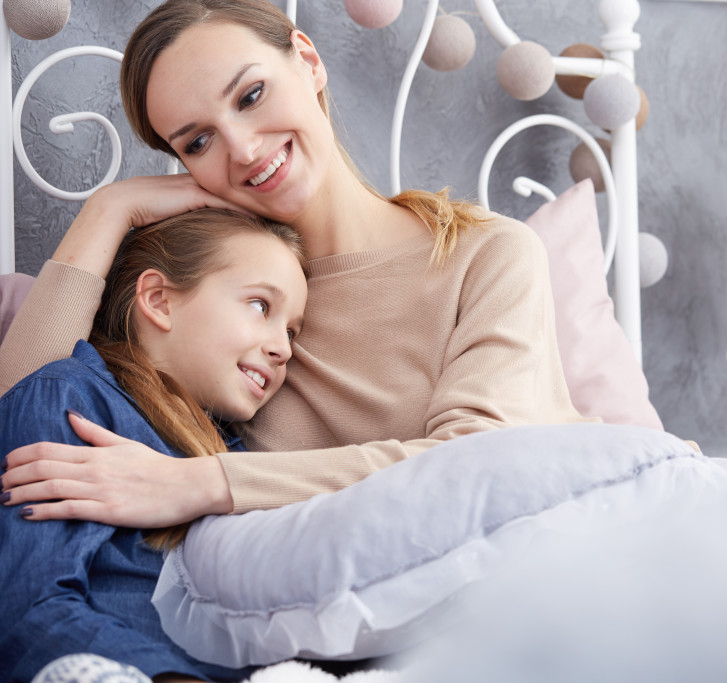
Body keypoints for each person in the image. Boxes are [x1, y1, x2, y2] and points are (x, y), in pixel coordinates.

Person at [0, 0, 584, 528]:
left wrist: (203, 484)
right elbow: (28, 416)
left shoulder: (485, 255)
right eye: (197, 142)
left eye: (250, 96)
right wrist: (110, 210)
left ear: (307, 59)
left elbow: (477, 464)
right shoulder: (210, 302)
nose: (245, 149)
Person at [0, 208, 308, 682]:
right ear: (159, 300)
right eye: (261, 306)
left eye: (291, 331)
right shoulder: (71, 399)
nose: (284, 349)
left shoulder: (231, 460)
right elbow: (27, 605)